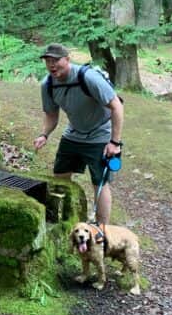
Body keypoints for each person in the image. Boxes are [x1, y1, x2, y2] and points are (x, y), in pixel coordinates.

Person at [32, 43, 124, 225]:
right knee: (60, 175)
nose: (52, 65)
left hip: (100, 133)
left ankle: (101, 229)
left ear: (67, 59)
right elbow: (51, 114)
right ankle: (65, 219)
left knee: (99, 182)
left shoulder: (88, 77)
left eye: (56, 60)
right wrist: (44, 135)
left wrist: (114, 142)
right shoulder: (48, 84)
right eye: (48, 61)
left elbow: (117, 106)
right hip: (74, 133)